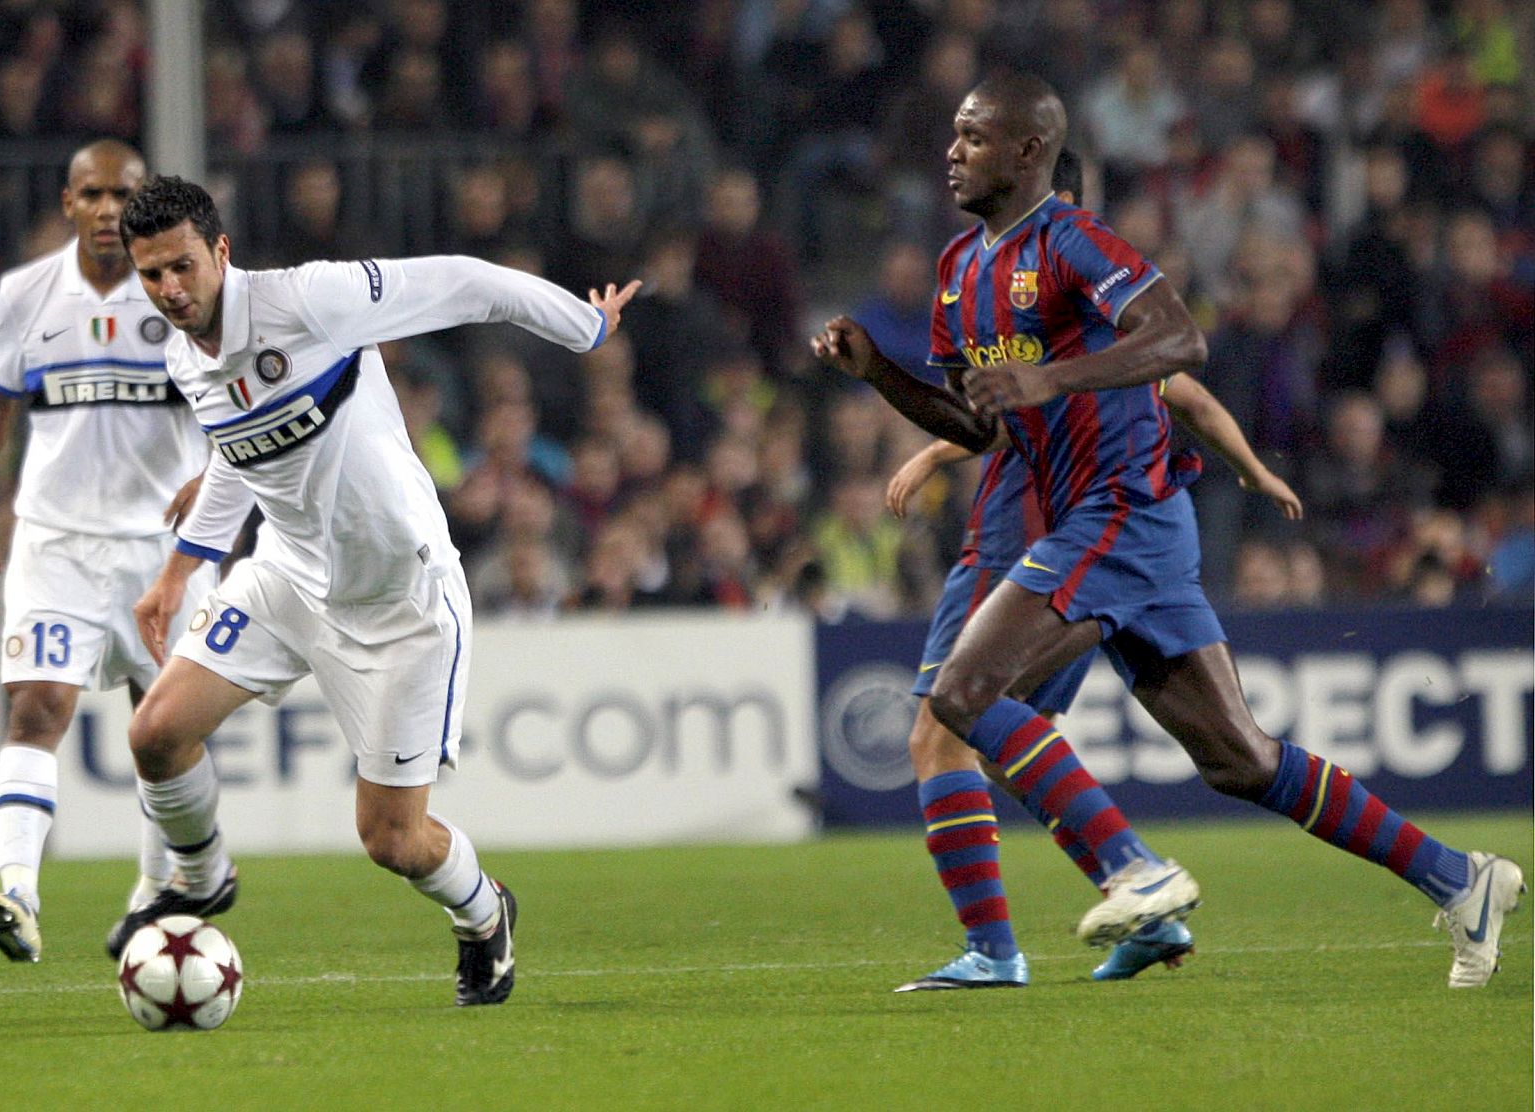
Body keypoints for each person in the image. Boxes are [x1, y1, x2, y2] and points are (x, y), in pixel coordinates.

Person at [814, 71, 1522, 990]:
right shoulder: (959, 271)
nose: (952, 151)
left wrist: (1054, 378)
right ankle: (1460, 878)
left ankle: (1133, 870)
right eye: (953, 134)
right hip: (1119, 530)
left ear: (1030, 151)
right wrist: (881, 376)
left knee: (964, 692)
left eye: (974, 136)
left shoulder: (1073, 242)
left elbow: (1180, 341)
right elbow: (982, 427)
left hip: (1122, 510)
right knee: (1241, 759)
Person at [105, 175, 639, 1007]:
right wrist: (179, 569)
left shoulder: (312, 300)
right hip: (288, 579)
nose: (169, 290)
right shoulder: (181, 351)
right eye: (150, 276)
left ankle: (483, 912)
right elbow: (243, 455)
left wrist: (583, 325)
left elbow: (466, 278)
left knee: (392, 841)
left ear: (221, 252)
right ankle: (202, 877)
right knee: (156, 736)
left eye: (181, 267)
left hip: (402, 602)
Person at [876, 147, 1304, 990]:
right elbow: (990, 412)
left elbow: (1184, 387)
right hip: (1035, 533)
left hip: (1044, 540)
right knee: (968, 734)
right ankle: (1128, 912)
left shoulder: (1083, 294)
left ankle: (1073, 906)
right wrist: (932, 448)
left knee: (951, 721)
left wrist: (1253, 472)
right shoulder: (997, 285)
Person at [0, 140, 211, 963]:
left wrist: (213, 474)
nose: (107, 208)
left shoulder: (174, 290)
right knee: (37, 707)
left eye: (123, 195)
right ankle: (21, 896)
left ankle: (157, 888)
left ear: (145, 205)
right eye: (93, 194)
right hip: (56, 542)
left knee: (163, 728)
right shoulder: (28, 295)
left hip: (160, 550)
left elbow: (234, 388)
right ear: (68, 203)